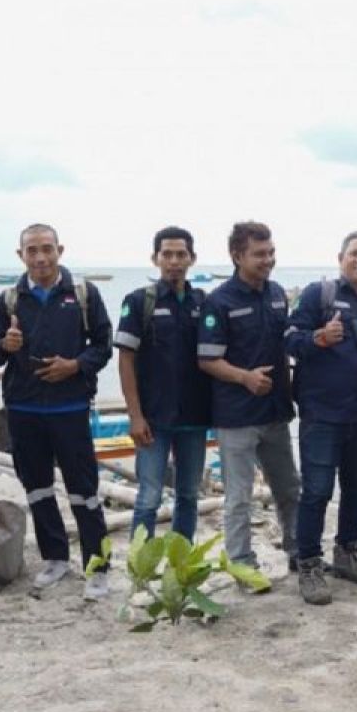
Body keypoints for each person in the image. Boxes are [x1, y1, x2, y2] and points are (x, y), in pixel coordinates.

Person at [0, 223, 113, 599]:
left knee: (84, 491)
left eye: (47, 249)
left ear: (60, 250)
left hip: (70, 408)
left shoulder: (83, 294)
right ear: (20, 254)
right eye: (32, 250)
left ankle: (98, 566)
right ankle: (55, 558)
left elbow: (104, 346)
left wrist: (75, 365)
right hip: (23, 409)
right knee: (37, 488)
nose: (40, 257)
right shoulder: (9, 299)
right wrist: (5, 344)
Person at [285, 230, 357, 604]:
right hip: (321, 412)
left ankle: (347, 552)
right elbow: (288, 339)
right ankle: (309, 564)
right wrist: (317, 338)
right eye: (355, 254)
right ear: (341, 258)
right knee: (316, 491)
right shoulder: (319, 295)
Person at [198, 221, 301, 586]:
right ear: (237, 255)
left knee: (289, 489)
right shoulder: (219, 301)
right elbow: (207, 359)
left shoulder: (276, 294)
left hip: (276, 413)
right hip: (237, 417)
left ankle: (297, 552)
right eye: (259, 254)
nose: (268, 260)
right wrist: (245, 377)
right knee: (239, 498)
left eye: (271, 252)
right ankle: (242, 564)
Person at [115, 226, 213, 541]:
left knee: (188, 495)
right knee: (148, 497)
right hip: (153, 419)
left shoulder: (204, 303)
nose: (174, 261)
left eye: (180, 254)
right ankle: (139, 564)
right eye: (167, 254)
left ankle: (181, 560)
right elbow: (125, 360)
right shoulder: (139, 301)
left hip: (194, 418)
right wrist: (135, 415)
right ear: (155, 259)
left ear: (192, 258)